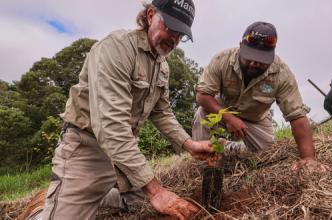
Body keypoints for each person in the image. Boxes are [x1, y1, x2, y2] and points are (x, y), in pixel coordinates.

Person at [18, 0, 214, 219]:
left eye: (181, 34)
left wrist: (189, 144)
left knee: (143, 205)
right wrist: (156, 191)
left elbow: (161, 112)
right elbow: (111, 127)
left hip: (123, 152)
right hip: (87, 147)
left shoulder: (162, 66)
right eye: (170, 28)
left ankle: (96, 195)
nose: (174, 39)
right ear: (150, 16)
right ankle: (43, 209)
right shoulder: (116, 48)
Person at [192, 21, 328, 172]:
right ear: (240, 47)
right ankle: (206, 168)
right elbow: (202, 95)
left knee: (266, 154)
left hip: (256, 119)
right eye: (249, 57)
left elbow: (297, 117)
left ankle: (229, 147)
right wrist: (228, 117)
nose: (254, 63)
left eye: (261, 60)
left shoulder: (282, 74)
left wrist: (309, 158)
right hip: (223, 110)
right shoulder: (222, 60)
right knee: (203, 114)